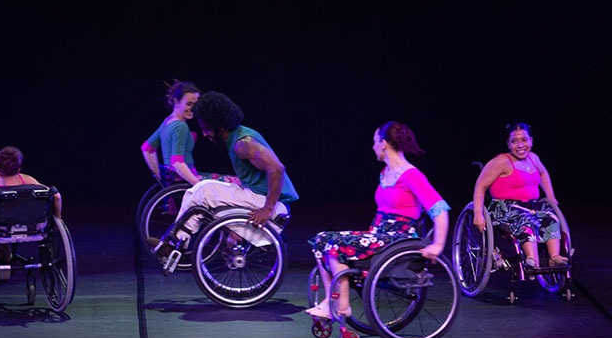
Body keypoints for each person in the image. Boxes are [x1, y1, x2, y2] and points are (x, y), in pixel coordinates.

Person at [305, 122, 450, 319]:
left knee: (334, 246)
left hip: (397, 239)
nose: (373, 147)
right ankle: (332, 299)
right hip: (379, 235)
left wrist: (438, 244)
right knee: (321, 239)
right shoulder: (385, 173)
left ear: (383, 144)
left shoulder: (411, 175)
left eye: (374, 142)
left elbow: (439, 209)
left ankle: (340, 305)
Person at [148, 91, 299, 254]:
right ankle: (177, 243)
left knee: (204, 190)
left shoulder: (243, 144)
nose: (205, 134)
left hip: (271, 203)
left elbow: (277, 168)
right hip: (256, 194)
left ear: (219, 127)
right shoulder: (236, 136)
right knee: (203, 188)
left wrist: (268, 209)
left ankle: (175, 244)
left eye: (207, 129)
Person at [472, 122, 568, 269]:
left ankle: (554, 257)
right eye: (514, 141)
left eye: (524, 140)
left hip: (531, 205)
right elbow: (480, 186)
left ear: (531, 141)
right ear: (508, 144)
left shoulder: (533, 158)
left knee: (550, 217)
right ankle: (532, 259)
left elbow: (543, 173)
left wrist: (550, 195)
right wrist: (478, 213)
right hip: (505, 208)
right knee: (525, 219)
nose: (520, 145)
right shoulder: (501, 161)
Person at [141, 80, 239, 186]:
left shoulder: (168, 121)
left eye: (195, 104)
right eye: (189, 104)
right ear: (176, 101)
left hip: (175, 179)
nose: (193, 109)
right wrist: (196, 184)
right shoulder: (180, 126)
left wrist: (160, 177)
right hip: (185, 179)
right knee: (237, 182)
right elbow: (177, 162)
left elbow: (147, 149)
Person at [0, 146, 62, 239]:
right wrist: (58, 219)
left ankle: (3, 252)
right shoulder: (26, 179)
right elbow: (57, 196)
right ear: (19, 168)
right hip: (28, 222)